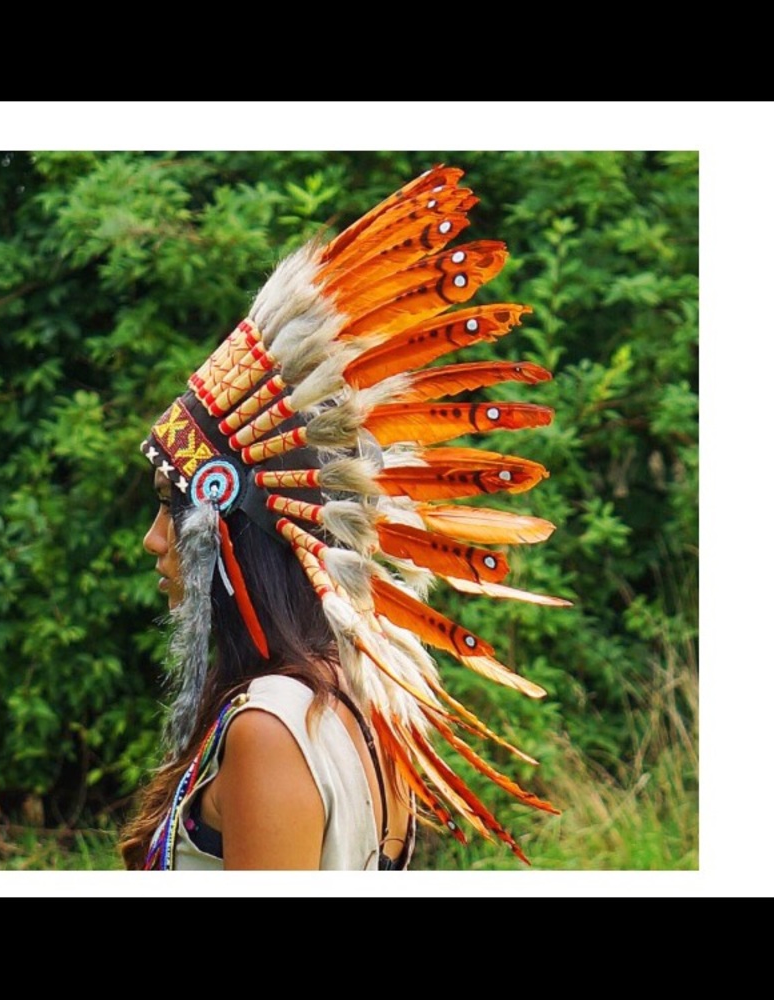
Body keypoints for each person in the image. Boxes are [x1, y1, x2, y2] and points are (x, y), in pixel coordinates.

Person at [119, 164, 568, 871]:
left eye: (175, 506)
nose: (152, 539)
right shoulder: (362, 695)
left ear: (232, 535)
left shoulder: (272, 725)